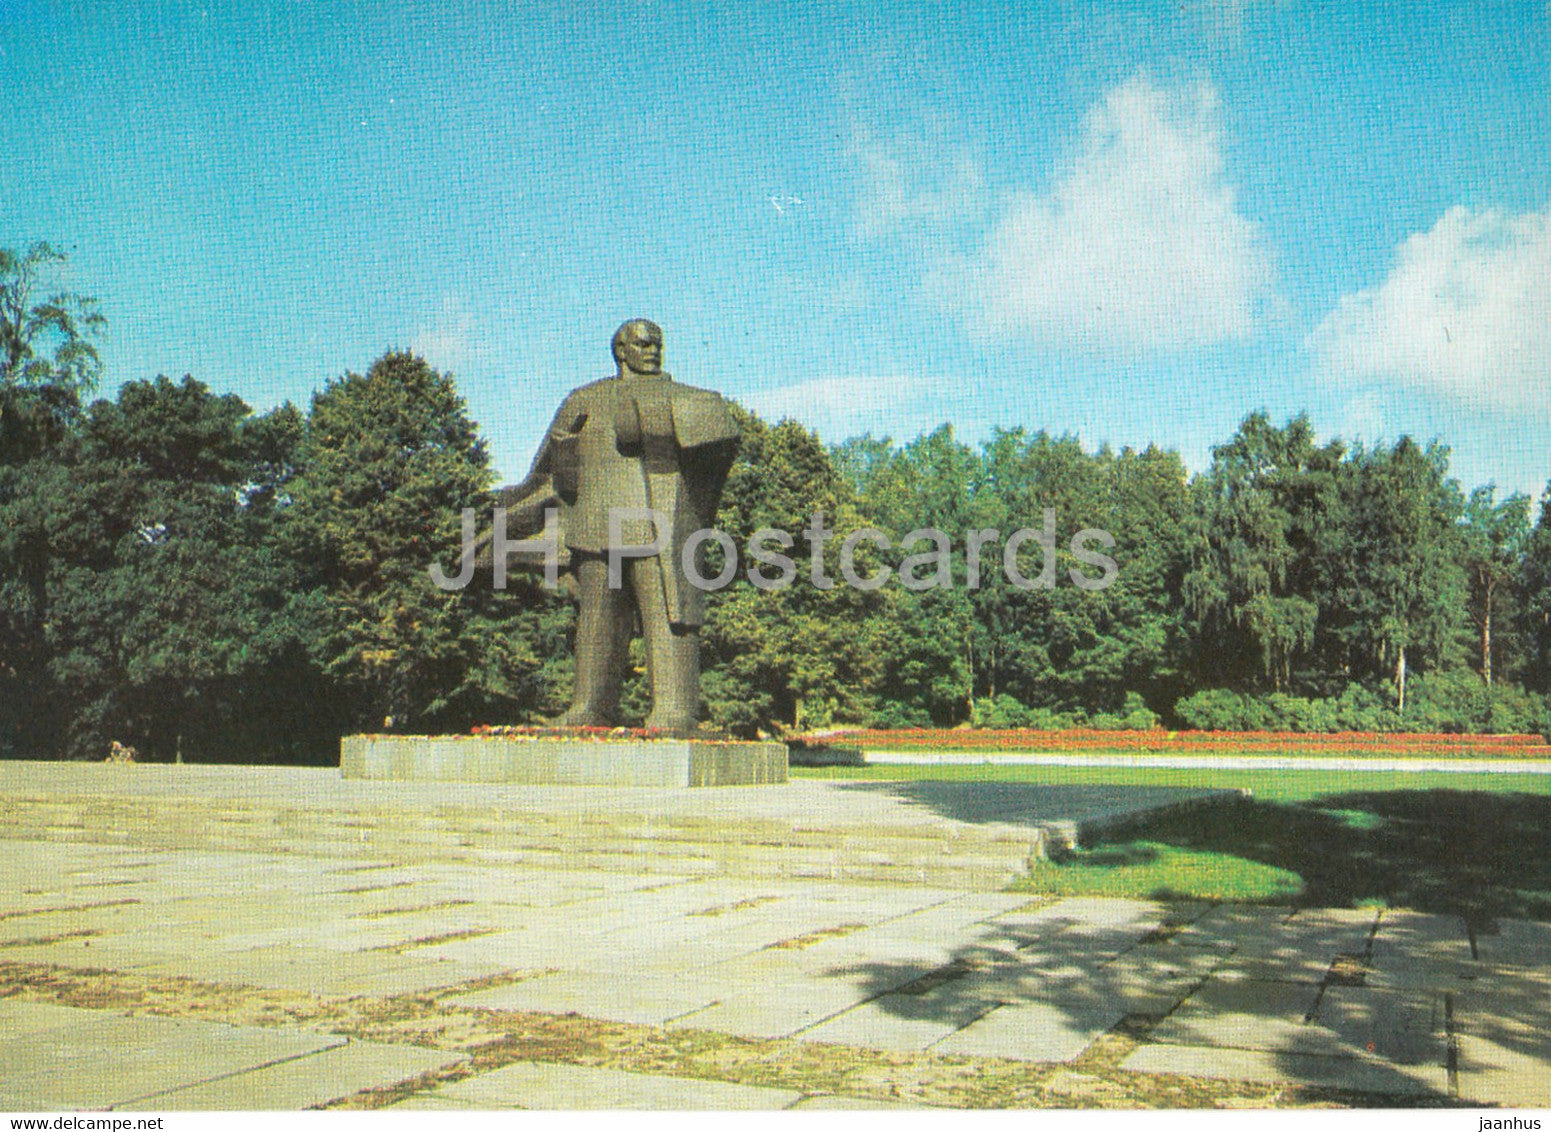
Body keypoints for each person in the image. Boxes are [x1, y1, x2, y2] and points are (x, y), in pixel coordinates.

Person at [501, 319, 740, 734]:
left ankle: (674, 711)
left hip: (657, 526)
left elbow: (717, 444)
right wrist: (564, 446)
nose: (653, 350)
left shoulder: (690, 398)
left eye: (658, 344)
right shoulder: (584, 398)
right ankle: (590, 707)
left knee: (668, 615)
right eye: (643, 343)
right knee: (598, 616)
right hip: (596, 527)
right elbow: (557, 479)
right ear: (620, 350)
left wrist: (654, 425)